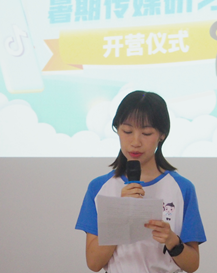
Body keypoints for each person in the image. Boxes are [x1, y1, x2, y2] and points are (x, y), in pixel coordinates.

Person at [75, 90, 206, 273]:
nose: (135, 142)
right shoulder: (99, 188)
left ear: (162, 134)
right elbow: (94, 263)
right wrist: (121, 215)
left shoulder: (182, 188)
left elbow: (192, 265)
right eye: (127, 131)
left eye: (146, 133)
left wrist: (172, 241)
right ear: (117, 130)